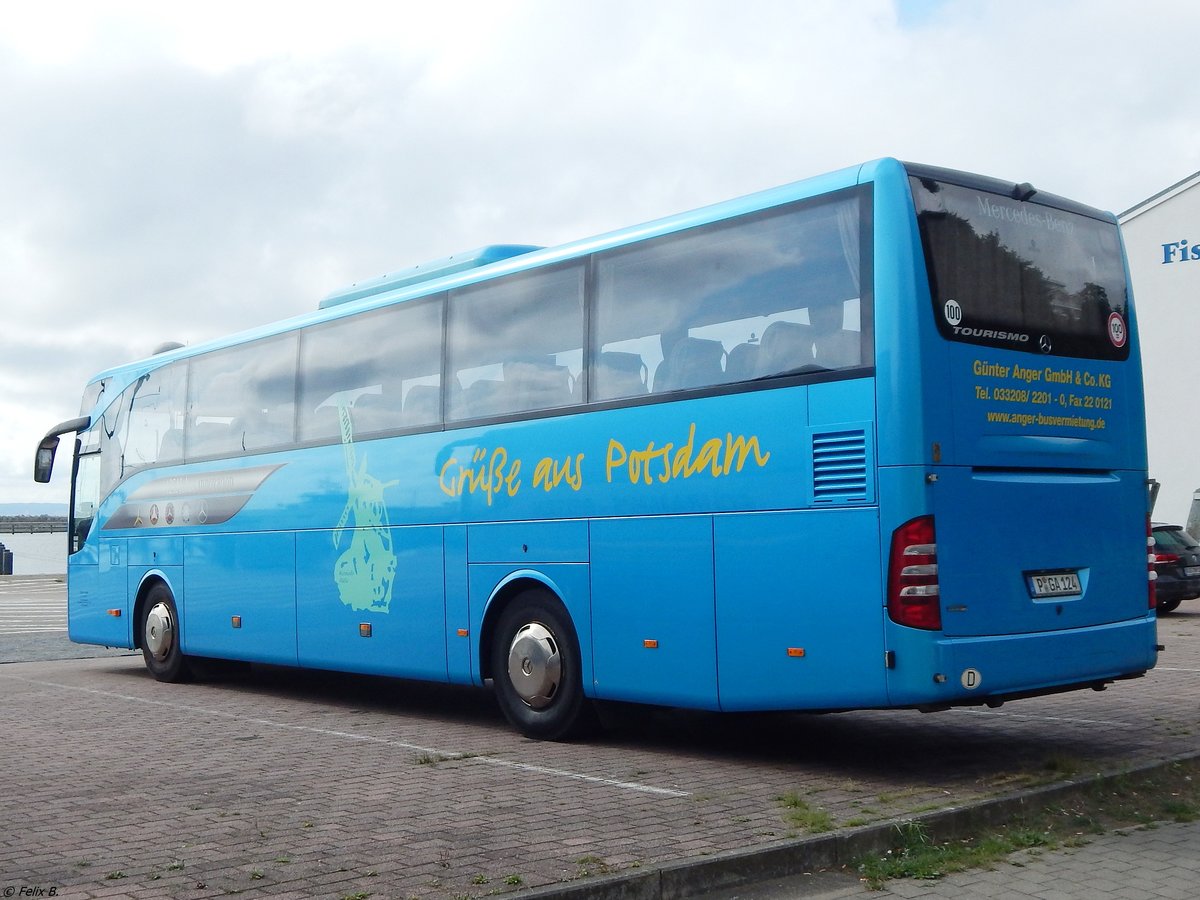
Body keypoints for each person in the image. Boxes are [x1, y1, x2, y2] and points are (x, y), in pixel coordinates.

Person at [808, 298, 860, 369]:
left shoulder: (852, 338)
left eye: (830, 312)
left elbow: (853, 368)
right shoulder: (807, 339)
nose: (825, 317)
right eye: (819, 314)